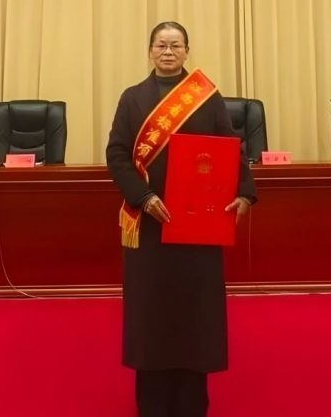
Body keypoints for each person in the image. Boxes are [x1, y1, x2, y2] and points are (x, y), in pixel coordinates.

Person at [106, 21, 257, 417]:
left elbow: (230, 148)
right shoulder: (132, 99)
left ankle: (192, 402)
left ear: (187, 51)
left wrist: (244, 191)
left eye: (175, 45)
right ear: (150, 51)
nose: (168, 52)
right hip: (150, 225)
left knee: (194, 314)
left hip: (197, 227)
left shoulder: (206, 97)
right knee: (151, 314)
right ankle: (152, 403)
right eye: (161, 45)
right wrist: (143, 197)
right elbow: (117, 155)